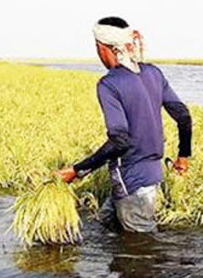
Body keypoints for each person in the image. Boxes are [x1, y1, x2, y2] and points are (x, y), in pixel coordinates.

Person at [56, 17, 192, 233]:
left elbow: (120, 140)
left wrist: (77, 170)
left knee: (142, 248)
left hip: (131, 180)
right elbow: (183, 117)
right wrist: (183, 156)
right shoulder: (154, 73)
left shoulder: (109, 84)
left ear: (102, 48)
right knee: (106, 224)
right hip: (152, 175)